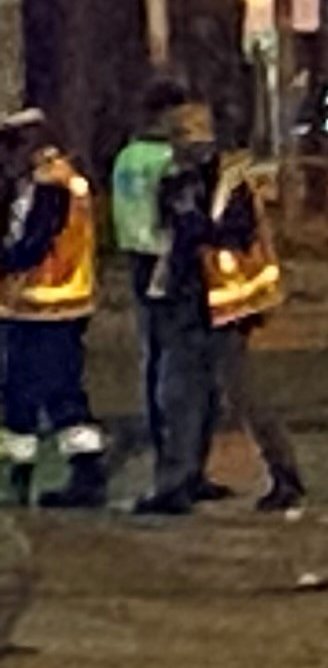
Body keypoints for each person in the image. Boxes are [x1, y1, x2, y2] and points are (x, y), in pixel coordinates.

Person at [137, 105, 302, 517]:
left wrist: (198, 227)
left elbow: (236, 233)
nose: (177, 148)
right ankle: (178, 482)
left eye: (182, 139)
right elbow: (171, 234)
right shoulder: (177, 182)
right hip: (187, 301)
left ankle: (285, 476)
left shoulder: (230, 184)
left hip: (226, 306)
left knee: (244, 394)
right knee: (180, 395)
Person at [0, 111, 111, 505]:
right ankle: (29, 473)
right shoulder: (49, 180)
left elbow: (32, 244)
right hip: (40, 305)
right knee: (29, 390)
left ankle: (84, 475)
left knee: (48, 391)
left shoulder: (53, 185)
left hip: (48, 304)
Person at [107, 77, 186, 483]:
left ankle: (164, 446)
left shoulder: (126, 158)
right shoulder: (165, 160)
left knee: (153, 356)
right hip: (165, 260)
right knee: (174, 361)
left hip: (135, 257)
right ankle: (173, 455)